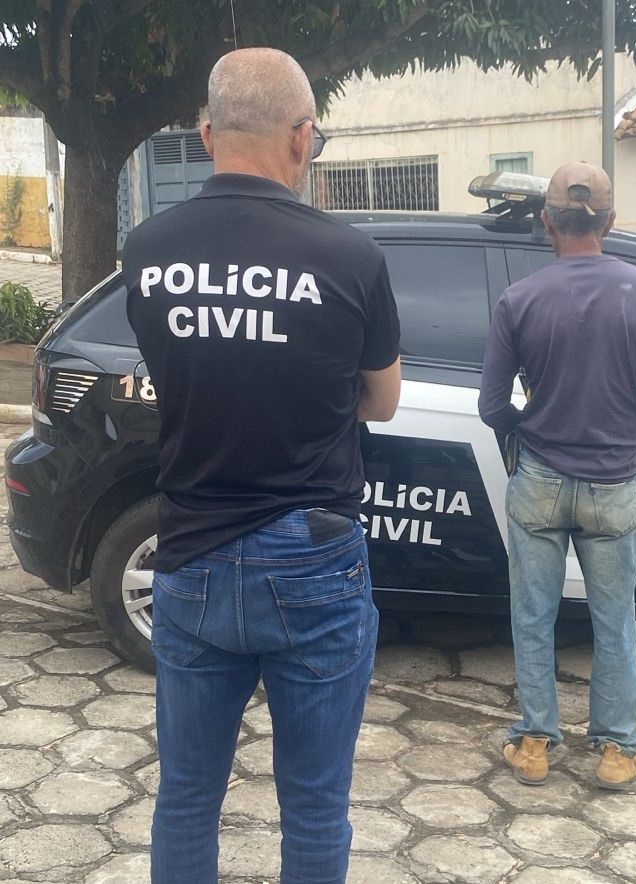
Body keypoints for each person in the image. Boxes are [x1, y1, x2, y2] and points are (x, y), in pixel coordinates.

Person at [122, 48, 401, 884]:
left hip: (191, 551)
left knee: (185, 797)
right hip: (310, 554)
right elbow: (382, 401)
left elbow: (185, 372)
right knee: (314, 806)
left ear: (208, 135)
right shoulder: (349, 257)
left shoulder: (148, 248)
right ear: (302, 136)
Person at [478, 162, 636, 790]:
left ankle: (534, 744)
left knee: (533, 615)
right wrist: (621, 432)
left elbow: (491, 405)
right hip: (614, 482)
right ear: (610, 222)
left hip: (538, 477)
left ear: (547, 222)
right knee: (615, 621)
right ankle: (619, 751)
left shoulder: (519, 299)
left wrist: (527, 429)